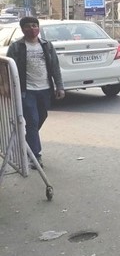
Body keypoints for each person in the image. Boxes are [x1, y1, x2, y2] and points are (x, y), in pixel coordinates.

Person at [7, 16, 65, 168]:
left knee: (42, 116)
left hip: (45, 89)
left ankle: (26, 143)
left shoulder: (46, 45)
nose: (32, 29)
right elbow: (8, 70)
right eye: (28, 26)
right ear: (22, 29)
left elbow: (54, 67)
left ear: (38, 28)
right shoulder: (16, 47)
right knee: (32, 121)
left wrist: (59, 86)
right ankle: (35, 155)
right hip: (27, 91)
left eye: (34, 25)